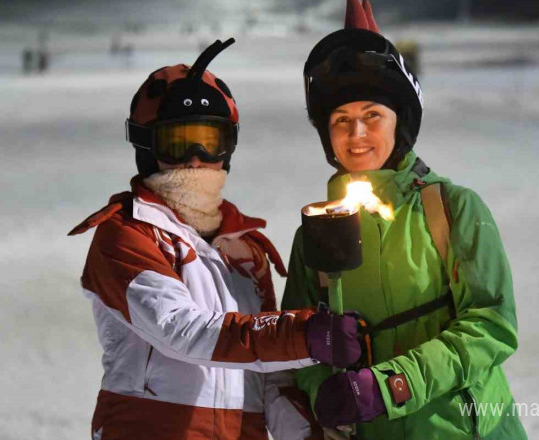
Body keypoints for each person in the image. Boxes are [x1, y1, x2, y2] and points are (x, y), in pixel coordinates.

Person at [69, 39, 359, 440]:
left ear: (229, 148)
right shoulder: (125, 235)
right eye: (176, 142)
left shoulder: (244, 250)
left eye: (210, 141)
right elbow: (182, 331)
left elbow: (272, 379)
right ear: (145, 146)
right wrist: (304, 335)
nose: (195, 157)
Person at [281, 1, 528, 439]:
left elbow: (492, 324)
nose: (356, 134)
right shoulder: (316, 233)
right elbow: (300, 344)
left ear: (401, 122)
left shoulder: (452, 208)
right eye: (341, 120)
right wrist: (326, 395)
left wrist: (392, 385)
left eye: (372, 115)